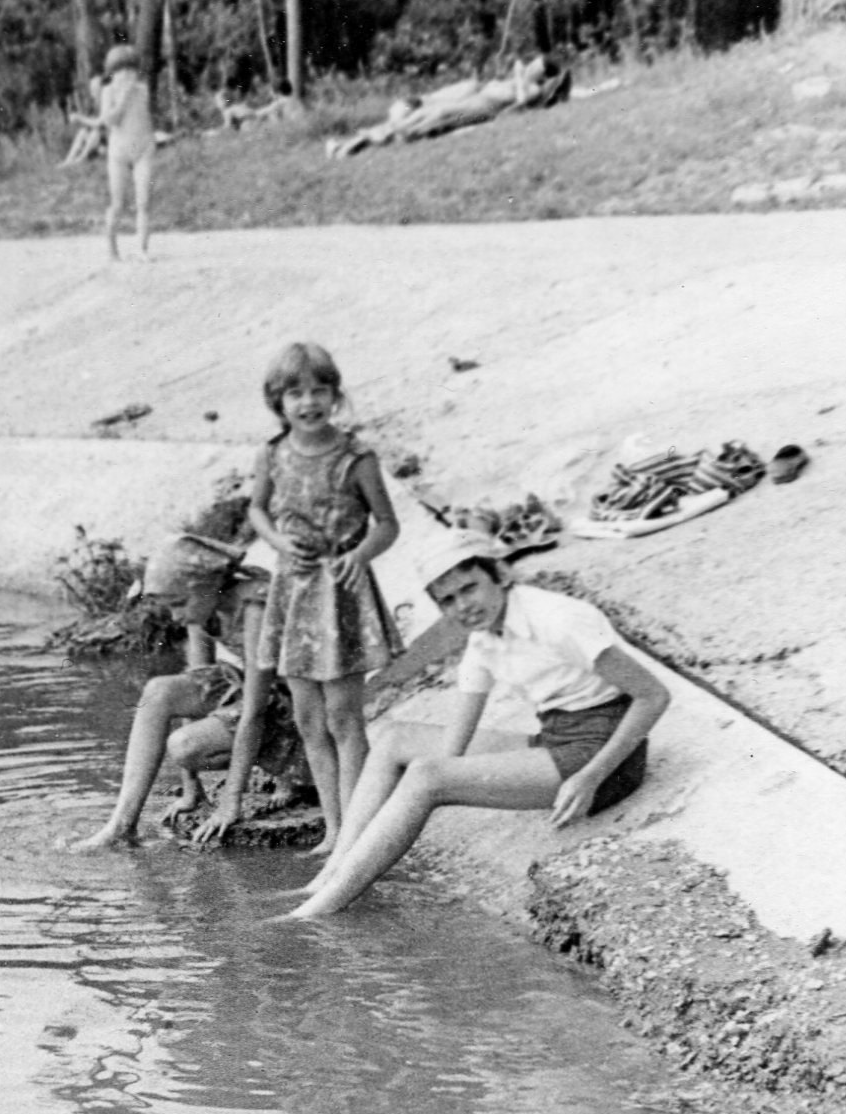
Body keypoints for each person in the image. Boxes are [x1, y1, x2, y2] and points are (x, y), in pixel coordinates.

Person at [287, 530, 670, 920]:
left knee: (426, 775)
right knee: (393, 737)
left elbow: (653, 696)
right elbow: (454, 743)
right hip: (556, 738)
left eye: (469, 588)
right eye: (448, 600)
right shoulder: (484, 636)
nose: (462, 606)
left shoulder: (556, 618)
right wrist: (438, 783)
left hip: (608, 762)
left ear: (500, 574)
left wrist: (590, 777)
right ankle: (328, 877)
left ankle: (319, 911)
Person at [247, 343, 402, 858]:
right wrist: (275, 541)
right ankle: (335, 830)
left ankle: (356, 828)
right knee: (308, 717)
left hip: (341, 593)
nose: (308, 402)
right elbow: (257, 510)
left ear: (336, 395)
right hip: (293, 590)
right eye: (295, 392)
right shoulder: (271, 454)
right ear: (278, 401)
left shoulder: (356, 458)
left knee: (344, 718)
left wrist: (361, 554)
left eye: (319, 390)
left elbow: (387, 524)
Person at [67, 533, 298, 851]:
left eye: (178, 604)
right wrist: (192, 791)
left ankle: (289, 771)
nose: (175, 617)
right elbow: (199, 681)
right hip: (252, 692)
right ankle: (121, 825)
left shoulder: (255, 606)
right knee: (157, 691)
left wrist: (231, 801)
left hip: (293, 707)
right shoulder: (202, 604)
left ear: (204, 585)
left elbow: (256, 709)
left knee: (184, 746)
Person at [327, 54, 568, 159]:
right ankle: (348, 146)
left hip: (475, 110)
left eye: (535, 64)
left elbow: (523, 102)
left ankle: (351, 147)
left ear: (542, 72)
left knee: (417, 123)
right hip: (465, 102)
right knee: (414, 118)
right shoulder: (516, 80)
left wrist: (518, 76)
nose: (530, 64)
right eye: (532, 62)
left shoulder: (532, 87)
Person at [97, 45, 155, 261]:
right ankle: (112, 249)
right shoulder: (108, 91)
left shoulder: (142, 89)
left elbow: (144, 118)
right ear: (113, 73)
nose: (128, 75)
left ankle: (143, 249)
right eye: (122, 70)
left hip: (143, 148)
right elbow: (109, 120)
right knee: (118, 203)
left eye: (132, 70)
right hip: (119, 151)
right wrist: (122, 98)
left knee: (144, 201)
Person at [59, 78, 107, 167]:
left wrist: (79, 118)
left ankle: (81, 159)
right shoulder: (93, 104)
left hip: (107, 141)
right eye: (91, 89)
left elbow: (99, 123)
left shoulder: (106, 102)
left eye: (95, 89)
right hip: (98, 140)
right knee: (83, 132)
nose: (92, 92)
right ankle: (68, 160)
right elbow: (88, 122)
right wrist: (77, 119)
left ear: (101, 88)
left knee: (95, 133)